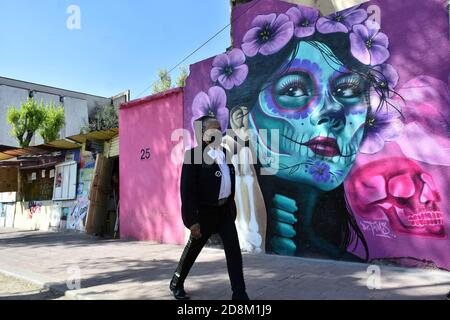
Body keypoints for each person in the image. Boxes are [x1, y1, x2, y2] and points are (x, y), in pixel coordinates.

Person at [169, 116, 249, 301]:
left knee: (234, 251)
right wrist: (192, 221)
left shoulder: (225, 154)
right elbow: (187, 191)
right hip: (203, 214)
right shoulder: (193, 156)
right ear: (203, 134)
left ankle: (239, 293)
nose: (219, 133)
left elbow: (229, 182)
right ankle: (177, 282)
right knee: (192, 251)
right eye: (214, 129)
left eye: (220, 129)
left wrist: (231, 205)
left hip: (223, 212)